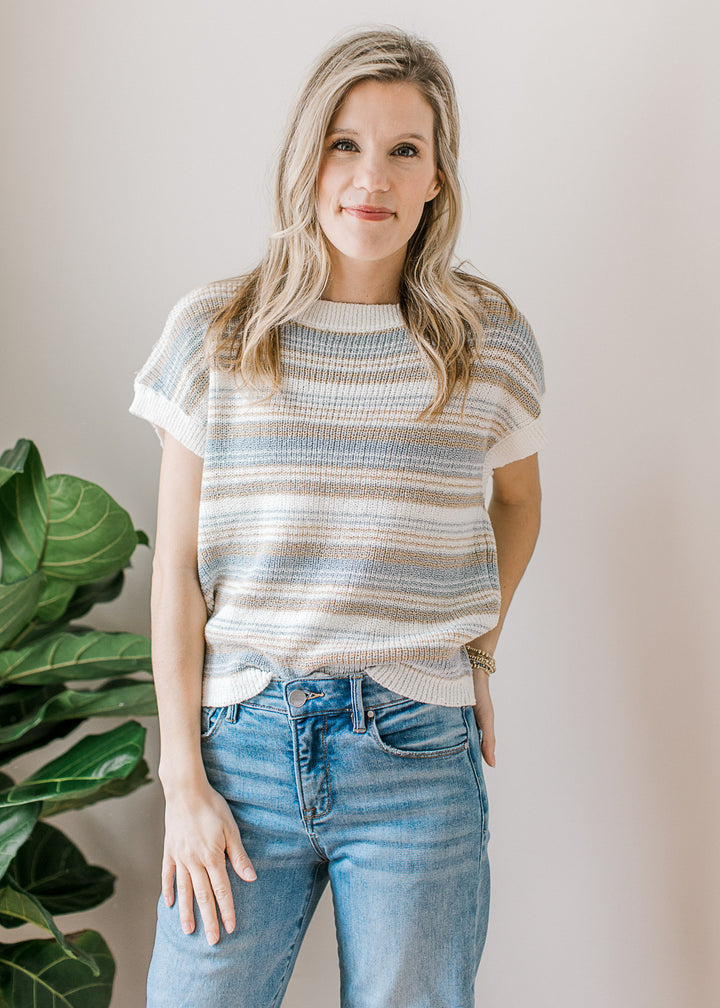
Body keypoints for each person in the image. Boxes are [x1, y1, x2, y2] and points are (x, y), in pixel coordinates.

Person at [129, 24, 547, 1008]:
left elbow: (520, 503)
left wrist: (479, 658)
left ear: (437, 177)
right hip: (240, 753)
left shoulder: (484, 340)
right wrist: (183, 782)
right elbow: (178, 572)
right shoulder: (218, 332)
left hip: (417, 757)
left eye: (404, 150)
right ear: (305, 158)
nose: (372, 178)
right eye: (344, 143)